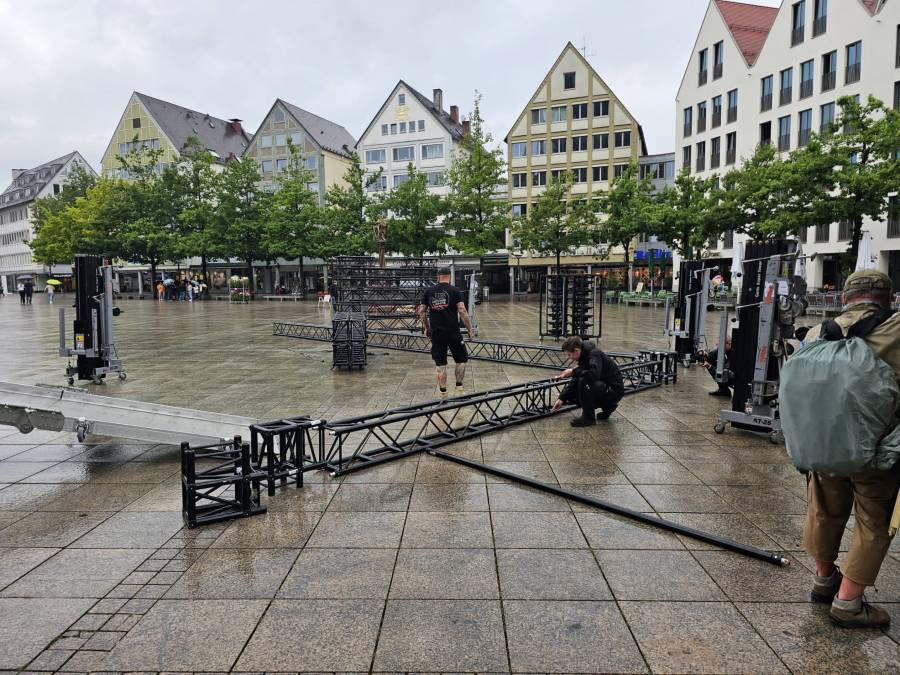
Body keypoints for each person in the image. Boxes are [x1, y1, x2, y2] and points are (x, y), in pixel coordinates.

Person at [803, 269, 900, 629]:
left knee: (823, 510)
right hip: (876, 449)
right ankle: (848, 602)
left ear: (844, 299)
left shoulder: (817, 333)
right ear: (887, 299)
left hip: (824, 443)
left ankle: (824, 579)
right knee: (874, 521)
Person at [420, 266, 475, 398]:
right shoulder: (455, 290)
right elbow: (462, 310)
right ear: (449, 277)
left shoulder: (429, 291)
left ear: (438, 277)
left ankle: (443, 392)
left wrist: (427, 327)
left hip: (437, 333)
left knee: (440, 364)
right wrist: (470, 330)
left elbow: (422, 311)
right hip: (453, 332)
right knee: (461, 360)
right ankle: (459, 388)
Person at [551, 335, 624, 427]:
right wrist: (562, 398)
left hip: (614, 390)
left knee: (583, 381)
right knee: (575, 392)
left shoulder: (593, 354)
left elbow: (594, 375)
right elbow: (575, 379)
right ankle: (608, 406)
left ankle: (588, 418)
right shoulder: (584, 355)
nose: (569, 358)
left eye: (569, 354)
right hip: (607, 388)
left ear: (576, 351)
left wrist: (573, 371)